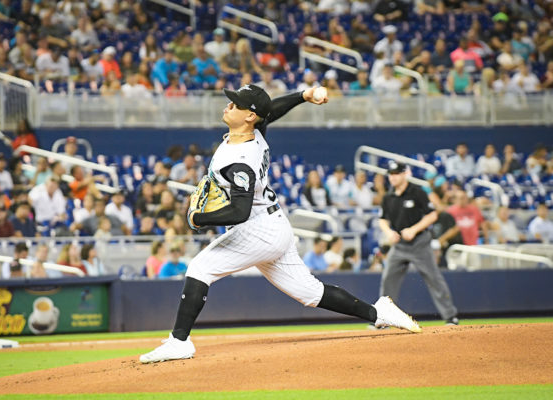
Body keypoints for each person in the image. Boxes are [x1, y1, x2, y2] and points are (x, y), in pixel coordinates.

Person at [139, 84, 420, 364]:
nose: (229, 105)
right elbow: (270, 111)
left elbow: (239, 210)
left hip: (257, 229)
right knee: (311, 292)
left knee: (200, 268)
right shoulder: (256, 131)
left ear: (250, 116)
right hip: (274, 225)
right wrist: (303, 96)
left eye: (236, 104)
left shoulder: (240, 160)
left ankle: (179, 341)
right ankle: (379, 312)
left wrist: (198, 218)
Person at [378, 161, 458, 325]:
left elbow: (432, 216)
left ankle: (450, 316)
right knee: (388, 279)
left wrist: (413, 230)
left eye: (396, 174)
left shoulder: (417, 192)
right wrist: (389, 232)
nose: (393, 177)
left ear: (404, 174)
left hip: (419, 243)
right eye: (390, 174)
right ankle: (382, 318)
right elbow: (382, 220)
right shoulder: (388, 196)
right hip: (399, 245)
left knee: (434, 278)